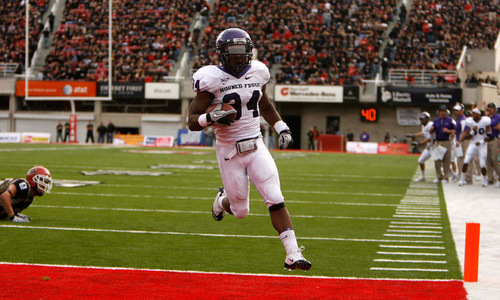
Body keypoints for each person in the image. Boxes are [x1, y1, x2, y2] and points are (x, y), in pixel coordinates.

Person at [187, 28, 311, 271]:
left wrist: (282, 128)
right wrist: (211, 117)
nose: (237, 57)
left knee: (274, 196)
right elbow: (192, 120)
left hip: (256, 145)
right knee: (241, 211)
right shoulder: (210, 78)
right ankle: (221, 202)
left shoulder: (258, 71)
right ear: (221, 54)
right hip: (229, 151)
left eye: (242, 52)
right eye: (232, 53)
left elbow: (264, 105)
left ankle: (293, 254)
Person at [458, 108, 492, 187]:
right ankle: (462, 180)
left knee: (482, 164)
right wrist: (473, 131)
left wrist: (480, 142)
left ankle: (484, 181)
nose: (473, 115)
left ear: (479, 114)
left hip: (482, 144)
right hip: (473, 143)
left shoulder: (485, 121)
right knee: (466, 161)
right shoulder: (470, 122)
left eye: (474, 114)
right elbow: (468, 137)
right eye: (472, 114)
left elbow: (489, 135)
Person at [430, 105, 455, 183]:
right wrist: (431, 130)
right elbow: (431, 131)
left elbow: (455, 130)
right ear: (439, 112)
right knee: (437, 159)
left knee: (446, 160)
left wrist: (448, 131)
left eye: (444, 111)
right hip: (438, 141)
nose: (442, 113)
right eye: (441, 111)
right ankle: (439, 176)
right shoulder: (436, 121)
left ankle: (446, 177)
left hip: (446, 141)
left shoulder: (450, 120)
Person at [410, 112, 434, 182]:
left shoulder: (430, 125)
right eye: (421, 119)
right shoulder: (424, 126)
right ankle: (423, 176)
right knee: (421, 160)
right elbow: (423, 133)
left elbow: (429, 139)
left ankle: (452, 176)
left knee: (440, 163)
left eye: (423, 119)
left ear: (427, 119)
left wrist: (419, 143)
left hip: (435, 146)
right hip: (429, 147)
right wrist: (413, 135)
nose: (422, 121)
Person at [485, 103, 500, 186]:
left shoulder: (498, 117)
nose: (489, 109)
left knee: (495, 159)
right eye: (488, 107)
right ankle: (490, 178)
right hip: (487, 140)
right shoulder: (486, 117)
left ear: (494, 109)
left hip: (495, 139)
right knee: (488, 160)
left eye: (491, 108)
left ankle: (499, 176)